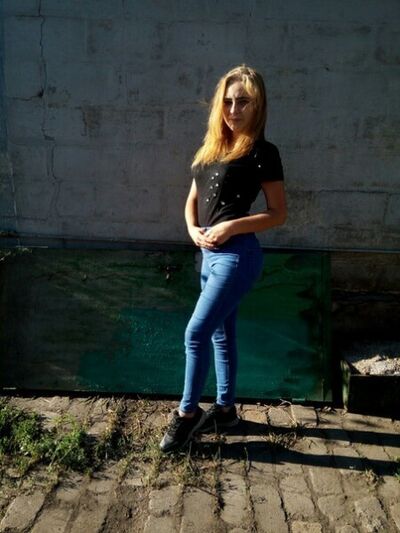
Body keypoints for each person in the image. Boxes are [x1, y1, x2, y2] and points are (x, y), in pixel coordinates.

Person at [160, 65, 287, 453]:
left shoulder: (263, 152)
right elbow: (193, 199)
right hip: (208, 254)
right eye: (228, 101)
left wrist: (231, 226)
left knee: (195, 334)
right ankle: (226, 411)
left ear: (258, 105)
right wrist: (191, 229)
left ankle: (187, 415)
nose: (234, 109)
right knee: (219, 334)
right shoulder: (210, 147)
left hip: (237, 256)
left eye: (243, 102)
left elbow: (278, 213)